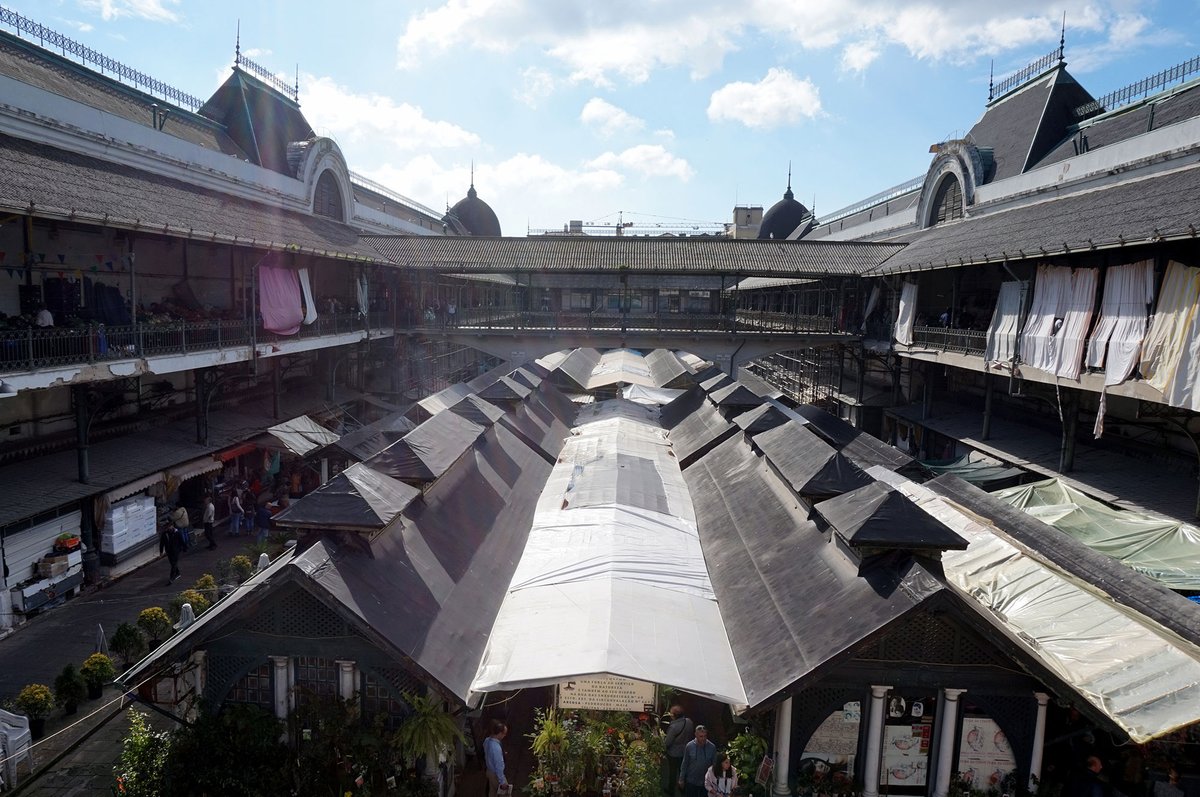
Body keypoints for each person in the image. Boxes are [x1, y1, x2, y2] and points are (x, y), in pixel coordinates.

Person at [664, 705, 695, 796]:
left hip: (674, 753)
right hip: (686, 751)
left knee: (673, 772)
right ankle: (684, 789)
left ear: (674, 715)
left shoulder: (673, 727)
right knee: (683, 771)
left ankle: (671, 790)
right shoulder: (689, 722)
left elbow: (667, 742)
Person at [678, 725, 716, 797]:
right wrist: (681, 779)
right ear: (696, 735)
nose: (703, 739)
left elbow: (714, 764)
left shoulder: (712, 747)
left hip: (706, 782)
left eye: (705, 736)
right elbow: (685, 763)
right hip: (691, 780)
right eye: (701, 736)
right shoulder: (689, 746)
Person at [484, 719, 508, 797]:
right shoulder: (496, 748)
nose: (505, 736)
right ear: (500, 733)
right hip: (495, 774)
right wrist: (502, 782)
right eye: (504, 734)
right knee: (504, 794)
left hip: (489, 771)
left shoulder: (487, 741)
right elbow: (499, 765)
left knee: (492, 792)